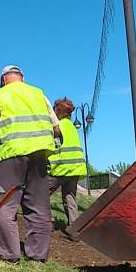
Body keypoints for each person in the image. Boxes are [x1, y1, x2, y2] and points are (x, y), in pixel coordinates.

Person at [0, 65, 62, 263]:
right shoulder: (39, 94)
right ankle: (38, 255)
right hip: (39, 156)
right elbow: (56, 128)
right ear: (22, 78)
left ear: (4, 80)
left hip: (11, 156)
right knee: (38, 206)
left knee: (5, 205)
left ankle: (9, 253)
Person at [47, 97, 87, 238]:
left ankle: (48, 222)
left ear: (57, 111)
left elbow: (52, 146)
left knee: (42, 194)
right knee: (70, 197)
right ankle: (74, 229)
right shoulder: (72, 127)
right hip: (76, 168)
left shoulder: (57, 126)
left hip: (61, 168)